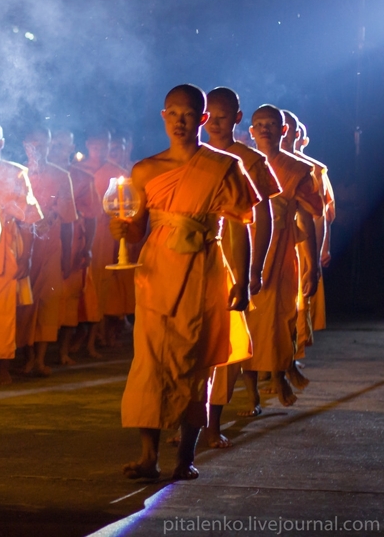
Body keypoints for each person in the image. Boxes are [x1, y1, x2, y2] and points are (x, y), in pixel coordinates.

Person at [111, 84, 257, 481]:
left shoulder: (223, 166)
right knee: (150, 361)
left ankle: (185, 459)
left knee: (194, 362)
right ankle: (148, 456)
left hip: (202, 270)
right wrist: (123, 228)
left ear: (203, 119)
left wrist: (244, 281)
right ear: (162, 116)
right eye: (172, 112)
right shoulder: (145, 169)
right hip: (155, 272)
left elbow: (244, 225)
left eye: (189, 113)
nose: (180, 120)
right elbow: (137, 228)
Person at [203, 87, 281, 447]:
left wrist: (255, 269)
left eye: (223, 117)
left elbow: (262, 218)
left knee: (226, 343)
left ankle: (212, 422)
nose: (215, 124)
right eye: (210, 116)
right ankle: (187, 418)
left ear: (237, 118)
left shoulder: (248, 161)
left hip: (235, 258)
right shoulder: (193, 157)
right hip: (195, 260)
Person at [239, 105, 321, 415]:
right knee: (248, 322)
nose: (264, 129)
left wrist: (312, 264)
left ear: (282, 130)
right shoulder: (243, 164)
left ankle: (281, 370)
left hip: (283, 253)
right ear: (251, 131)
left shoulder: (297, 170)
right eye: (258, 124)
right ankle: (252, 398)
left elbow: (307, 218)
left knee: (280, 319)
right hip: (248, 251)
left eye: (271, 124)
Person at [0, 121, 42, 385]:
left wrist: (27, 256)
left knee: (3, 313)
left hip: (6, 251)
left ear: (0, 144)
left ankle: (2, 367)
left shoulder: (15, 173)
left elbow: (29, 219)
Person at [281, 110, 329, 386]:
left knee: (295, 306)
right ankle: (270, 365)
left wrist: (319, 252)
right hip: (269, 245)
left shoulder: (308, 170)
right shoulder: (258, 164)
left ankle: (289, 360)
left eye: (288, 129)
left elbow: (317, 215)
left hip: (298, 243)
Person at [26, 128, 77, 374]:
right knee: (26, 301)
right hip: (24, 248)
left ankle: (40, 358)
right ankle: (25, 356)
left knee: (48, 300)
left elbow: (68, 220)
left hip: (51, 247)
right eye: (34, 146)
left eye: (43, 145)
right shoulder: (19, 173)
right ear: (26, 146)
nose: (39, 151)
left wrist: (68, 255)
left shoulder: (60, 176)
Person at [47, 130, 97, 365]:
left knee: (69, 296)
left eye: (62, 145)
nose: (57, 149)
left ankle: (63, 350)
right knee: (44, 296)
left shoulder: (82, 177)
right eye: (54, 144)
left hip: (74, 238)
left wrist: (87, 247)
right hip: (44, 239)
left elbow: (92, 216)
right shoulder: (38, 172)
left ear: (71, 147)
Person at [79, 130, 129, 354]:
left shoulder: (116, 173)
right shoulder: (79, 170)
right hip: (83, 233)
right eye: (97, 146)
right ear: (89, 144)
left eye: (106, 146)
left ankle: (96, 337)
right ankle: (82, 339)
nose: (102, 151)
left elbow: (125, 205)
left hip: (106, 234)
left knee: (103, 286)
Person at [294, 119, 335, 336]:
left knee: (303, 294)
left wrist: (323, 248)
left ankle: (293, 354)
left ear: (304, 140)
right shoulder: (267, 164)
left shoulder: (314, 170)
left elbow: (321, 214)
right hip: (281, 239)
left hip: (305, 239)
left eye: (296, 133)